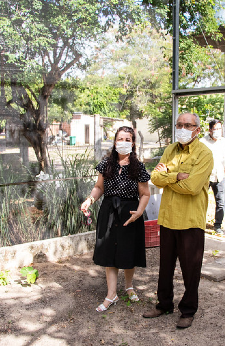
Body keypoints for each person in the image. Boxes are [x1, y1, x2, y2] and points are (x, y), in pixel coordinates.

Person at [142, 113, 213, 329]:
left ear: (197, 129)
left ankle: (188, 310)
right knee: (165, 266)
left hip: (191, 220)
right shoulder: (170, 150)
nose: (182, 128)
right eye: (179, 124)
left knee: (190, 269)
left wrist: (168, 178)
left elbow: (192, 188)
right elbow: (154, 178)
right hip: (168, 217)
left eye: (187, 125)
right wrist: (176, 176)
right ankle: (164, 304)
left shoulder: (204, 154)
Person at [80, 126, 151, 312]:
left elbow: (145, 194)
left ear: (133, 143)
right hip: (109, 210)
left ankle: (129, 286)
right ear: (114, 142)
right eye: (120, 139)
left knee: (128, 252)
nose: (124, 142)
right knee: (109, 252)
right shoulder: (106, 164)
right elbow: (99, 187)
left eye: (128, 139)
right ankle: (112, 294)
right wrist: (90, 199)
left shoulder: (139, 167)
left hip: (130, 213)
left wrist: (139, 212)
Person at [199, 119, 225, 234]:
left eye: (219, 129)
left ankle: (218, 225)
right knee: (201, 200)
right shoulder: (202, 141)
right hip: (205, 176)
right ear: (210, 130)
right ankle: (200, 223)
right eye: (215, 129)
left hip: (220, 175)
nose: (217, 131)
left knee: (220, 201)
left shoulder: (223, 141)